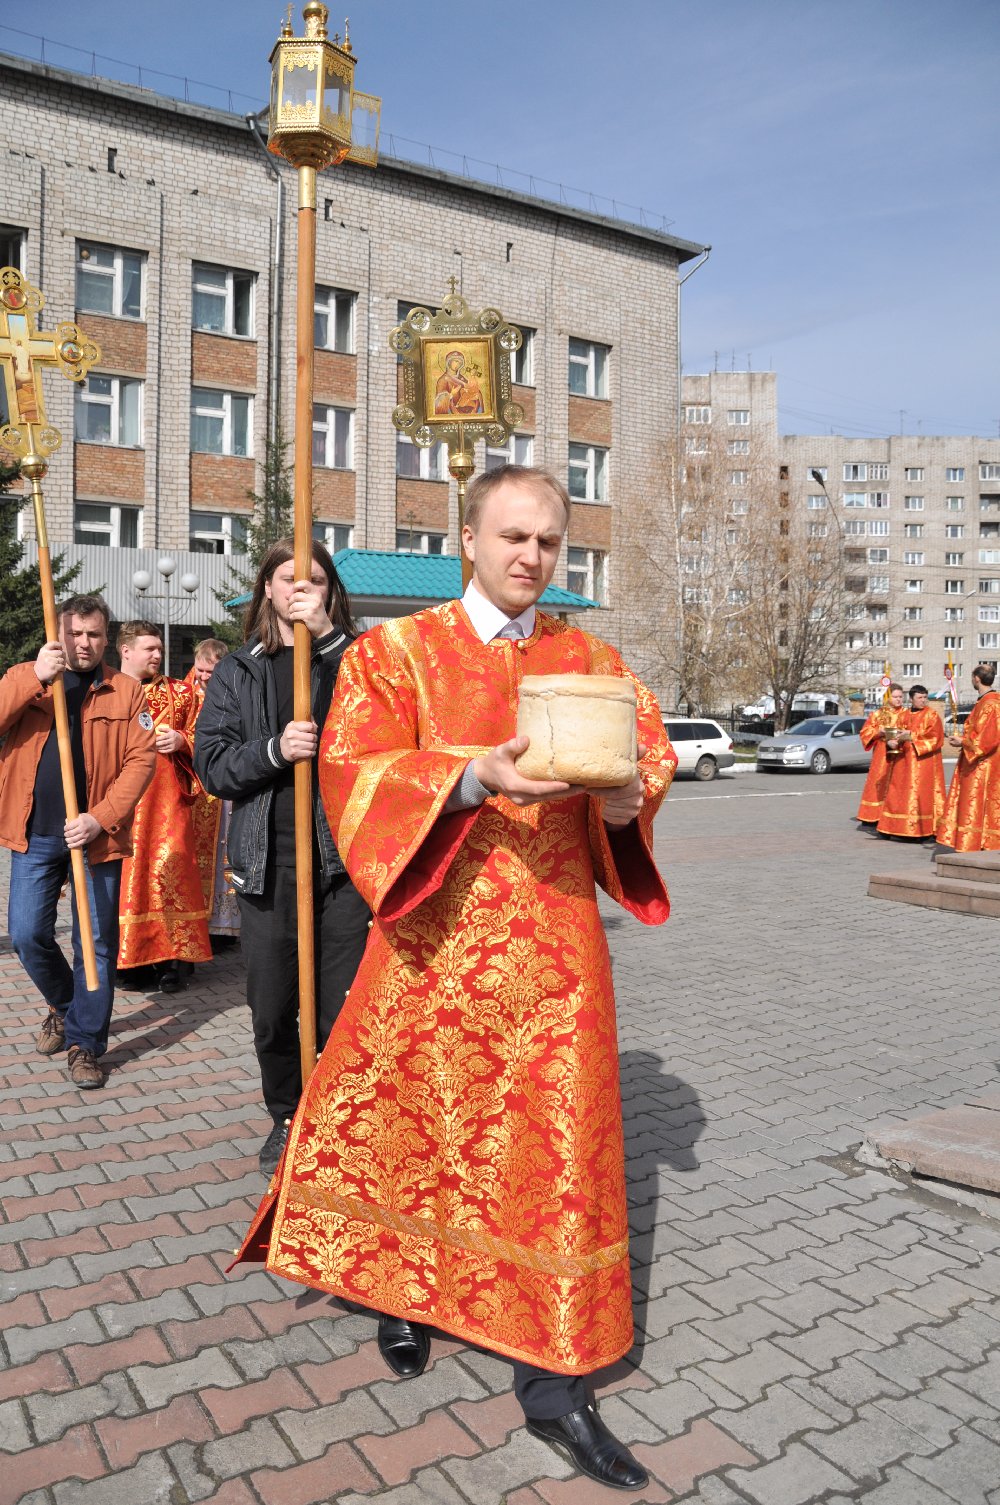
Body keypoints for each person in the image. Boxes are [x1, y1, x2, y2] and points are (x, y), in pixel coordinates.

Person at [230, 467, 678, 1492]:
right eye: (513, 536)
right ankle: (404, 1296)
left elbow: (642, 765)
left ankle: (556, 1385)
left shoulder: (592, 659)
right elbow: (352, 770)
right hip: (431, 945)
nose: (532, 556)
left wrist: (625, 803)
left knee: (555, 1160)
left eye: (550, 541)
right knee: (420, 1135)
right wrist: (474, 773)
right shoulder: (396, 653)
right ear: (467, 538)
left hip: (557, 956)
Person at [193, 538, 371, 1177]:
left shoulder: (358, 659)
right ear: (267, 587)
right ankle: (287, 1115)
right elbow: (212, 765)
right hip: (267, 866)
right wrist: (274, 750)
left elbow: (385, 722)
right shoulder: (239, 671)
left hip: (341, 865)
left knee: (338, 1008)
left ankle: (333, 1121)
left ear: (330, 592)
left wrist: (327, 641)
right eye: (289, 579)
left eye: (315, 580)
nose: (302, 590)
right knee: (271, 1009)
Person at [0, 594, 156, 1089]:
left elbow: (141, 761)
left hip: (95, 838)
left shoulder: (125, 691)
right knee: (26, 934)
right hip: (34, 831)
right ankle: (66, 1005)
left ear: (107, 638)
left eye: (92, 634)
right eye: (73, 633)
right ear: (58, 633)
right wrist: (35, 676)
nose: (82, 642)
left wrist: (100, 818)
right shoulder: (27, 677)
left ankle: (85, 1043)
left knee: (96, 943)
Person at [117, 622, 212, 992]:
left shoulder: (182, 693)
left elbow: (207, 737)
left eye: (159, 649)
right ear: (126, 650)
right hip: (120, 808)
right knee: (124, 881)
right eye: (150, 649)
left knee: (170, 875)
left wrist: (183, 740)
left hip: (167, 807)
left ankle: (172, 962)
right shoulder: (105, 690)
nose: (158, 655)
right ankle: (128, 962)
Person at [184, 639, 240, 945]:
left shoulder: (232, 691)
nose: (204, 677)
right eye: (200, 670)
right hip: (194, 789)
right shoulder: (183, 694)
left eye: (211, 671)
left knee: (224, 854)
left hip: (223, 790)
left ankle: (225, 926)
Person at [936, 663, 1000, 851]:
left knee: (976, 801)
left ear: (976, 679)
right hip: (980, 761)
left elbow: (987, 738)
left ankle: (977, 842)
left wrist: (963, 741)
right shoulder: (986, 701)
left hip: (982, 765)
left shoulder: (990, 704)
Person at [875, 684, 946, 842]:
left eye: (925, 697)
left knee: (917, 796)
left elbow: (936, 738)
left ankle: (918, 830)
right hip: (902, 761)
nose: (923, 700)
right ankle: (890, 827)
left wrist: (911, 734)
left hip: (922, 763)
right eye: (919, 698)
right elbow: (895, 734)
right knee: (896, 793)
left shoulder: (932, 715)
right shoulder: (903, 715)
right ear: (912, 699)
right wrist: (891, 742)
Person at [857, 684, 907, 830]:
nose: (898, 699)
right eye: (895, 697)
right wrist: (879, 732)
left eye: (900, 697)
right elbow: (865, 732)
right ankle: (872, 816)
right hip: (882, 755)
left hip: (901, 754)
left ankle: (894, 815)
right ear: (888, 697)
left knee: (898, 784)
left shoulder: (907, 714)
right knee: (878, 782)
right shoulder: (878, 714)